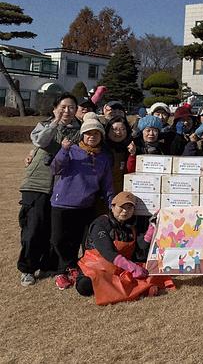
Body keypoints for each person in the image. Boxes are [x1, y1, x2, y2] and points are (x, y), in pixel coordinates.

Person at [18, 93, 81, 286]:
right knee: (34, 227)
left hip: (62, 187)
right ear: (54, 109)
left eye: (71, 107)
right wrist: (55, 123)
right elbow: (41, 141)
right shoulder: (44, 125)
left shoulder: (79, 131)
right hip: (37, 183)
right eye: (63, 107)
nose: (67, 111)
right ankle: (28, 269)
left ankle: (49, 265)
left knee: (55, 230)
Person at [50, 113, 114, 290]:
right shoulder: (71, 150)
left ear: (101, 136)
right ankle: (62, 270)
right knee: (59, 239)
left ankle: (73, 268)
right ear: (82, 135)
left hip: (86, 205)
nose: (92, 136)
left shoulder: (103, 158)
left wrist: (112, 205)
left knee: (81, 240)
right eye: (88, 133)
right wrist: (63, 150)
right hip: (62, 203)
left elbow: (107, 185)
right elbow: (55, 169)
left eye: (96, 133)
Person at [76, 191, 171, 304]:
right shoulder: (100, 224)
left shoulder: (130, 227)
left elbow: (139, 252)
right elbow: (108, 252)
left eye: (129, 208)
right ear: (112, 206)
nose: (125, 211)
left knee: (152, 271)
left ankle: (127, 287)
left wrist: (151, 228)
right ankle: (139, 288)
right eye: (122, 207)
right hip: (95, 269)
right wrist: (132, 268)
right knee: (84, 286)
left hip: (119, 270)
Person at [104, 117, 132, 194]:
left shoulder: (131, 148)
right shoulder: (102, 149)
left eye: (122, 129)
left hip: (123, 192)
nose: (118, 132)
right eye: (114, 129)